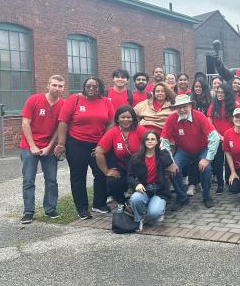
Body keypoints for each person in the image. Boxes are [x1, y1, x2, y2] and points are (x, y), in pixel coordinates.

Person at [56, 77, 114, 220]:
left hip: (97, 145)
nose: (91, 89)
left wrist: (103, 144)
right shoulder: (74, 100)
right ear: (84, 87)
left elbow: (110, 123)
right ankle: (82, 208)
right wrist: (61, 144)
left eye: (95, 86)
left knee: (101, 173)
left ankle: (99, 204)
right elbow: (63, 122)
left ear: (100, 87)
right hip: (76, 144)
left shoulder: (106, 102)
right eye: (88, 86)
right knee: (78, 177)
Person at [19, 75, 66, 224]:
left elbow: (59, 128)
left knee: (51, 180)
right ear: (48, 85)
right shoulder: (34, 100)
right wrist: (32, 146)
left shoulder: (63, 104)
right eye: (54, 85)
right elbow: (25, 124)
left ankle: (50, 209)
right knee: (28, 180)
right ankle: (28, 212)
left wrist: (49, 147)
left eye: (60, 86)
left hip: (49, 148)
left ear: (63, 88)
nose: (57, 88)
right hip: (29, 147)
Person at [161, 94, 220, 209]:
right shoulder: (171, 119)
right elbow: (164, 141)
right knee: (173, 169)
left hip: (202, 149)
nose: (182, 109)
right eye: (179, 107)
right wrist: (170, 161)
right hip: (184, 151)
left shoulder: (200, 116)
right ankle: (182, 198)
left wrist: (207, 159)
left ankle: (207, 197)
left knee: (206, 169)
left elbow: (215, 137)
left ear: (190, 106)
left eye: (185, 106)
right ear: (175, 108)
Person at [94, 105, 147, 210]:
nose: (126, 120)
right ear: (117, 119)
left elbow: (153, 145)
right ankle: (122, 202)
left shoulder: (140, 130)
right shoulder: (112, 132)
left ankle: (143, 201)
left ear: (133, 118)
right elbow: (98, 152)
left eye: (129, 117)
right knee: (112, 181)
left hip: (140, 167)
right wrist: (106, 171)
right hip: (123, 167)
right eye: (123, 117)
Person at [128, 130, 179, 231]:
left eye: (153, 139)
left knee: (154, 213)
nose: (150, 141)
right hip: (144, 189)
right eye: (147, 139)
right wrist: (136, 184)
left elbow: (169, 162)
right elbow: (129, 176)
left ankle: (157, 210)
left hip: (159, 190)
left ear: (157, 142)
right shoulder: (136, 157)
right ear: (143, 141)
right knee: (134, 199)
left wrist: (163, 148)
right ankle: (139, 219)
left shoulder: (162, 155)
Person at [207, 82, 237, 194]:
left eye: (222, 92)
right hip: (217, 137)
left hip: (231, 136)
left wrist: (228, 136)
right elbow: (209, 122)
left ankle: (229, 181)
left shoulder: (233, 105)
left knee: (230, 160)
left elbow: (237, 121)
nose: (219, 94)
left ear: (227, 93)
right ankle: (220, 183)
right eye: (218, 92)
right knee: (218, 161)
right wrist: (219, 136)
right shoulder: (213, 105)